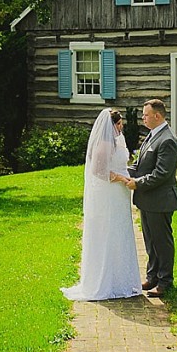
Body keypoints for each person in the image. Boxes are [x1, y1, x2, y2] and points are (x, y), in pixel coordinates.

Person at [61, 108, 142, 301]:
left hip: (118, 195)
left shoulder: (117, 139)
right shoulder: (105, 143)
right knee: (109, 232)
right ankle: (106, 281)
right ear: (111, 125)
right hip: (109, 194)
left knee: (119, 232)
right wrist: (121, 178)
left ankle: (120, 279)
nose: (121, 127)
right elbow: (99, 170)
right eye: (119, 124)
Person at [121, 99, 177, 297]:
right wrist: (121, 172)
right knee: (150, 241)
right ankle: (152, 276)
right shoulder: (152, 135)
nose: (143, 118)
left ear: (157, 116)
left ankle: (165, 281)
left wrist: (137, 183)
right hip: (146, 200)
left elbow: (162, 173)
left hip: (160, 200)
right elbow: (141, 166)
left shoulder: (168, 140)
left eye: (146, 115)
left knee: (161, 242)